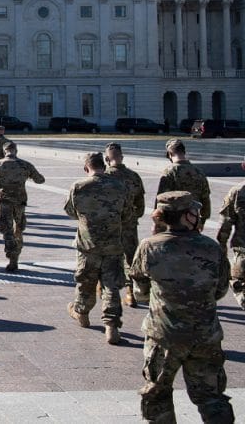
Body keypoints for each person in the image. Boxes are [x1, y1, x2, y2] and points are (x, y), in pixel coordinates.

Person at [131, 191, 234, 423]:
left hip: (163, 337)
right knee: (211, 397)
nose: (198, 215)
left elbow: (140, 291)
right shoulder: (211, 247)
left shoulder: (149, 247)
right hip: (205, 335)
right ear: (187, 216)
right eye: (195, 212)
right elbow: (220, 290)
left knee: (157, 394)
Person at [64, 152, 134, 345]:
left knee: (85, 282)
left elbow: (70, 212)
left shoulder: (79, 187)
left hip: (88, 245)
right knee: (111, 286)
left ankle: (82, 313)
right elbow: (128, 214)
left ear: (86, 168)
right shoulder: (119, 186)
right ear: (103, 165)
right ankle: (111, 326)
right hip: (112, 244)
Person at [0, 141, 45, 272]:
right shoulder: (25, 164)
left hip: (5, 202)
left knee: (7, 230)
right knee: (19, 228)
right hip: (20, 202)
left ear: (5, 151)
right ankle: (17, 252)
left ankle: (12, 257)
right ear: (16, 150)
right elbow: (40, 180)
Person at [104, 142, 146, 307]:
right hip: (129, 225)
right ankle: (131, 293)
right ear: (122, 157)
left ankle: (106, 290)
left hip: (108, 226)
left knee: (107, 259)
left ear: (107, 159)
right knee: (131, 259)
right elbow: (141, 206)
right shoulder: (134, 176)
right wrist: (132, 216)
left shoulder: (104, 177)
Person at [157, 139, 211, 233]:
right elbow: (206, 200)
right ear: (184, 152)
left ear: (170, 154)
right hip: (192, 221)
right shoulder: (199, 172)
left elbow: (161, 201)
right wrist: (202, 221)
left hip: (173, 224)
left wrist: (158, 225)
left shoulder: (169, 173)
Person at [216, 157, 245, 310]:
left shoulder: (238, 192)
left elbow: (225, 225)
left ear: (243, 166)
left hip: (243, 254)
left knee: (239, 287)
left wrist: (221, 251)